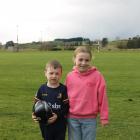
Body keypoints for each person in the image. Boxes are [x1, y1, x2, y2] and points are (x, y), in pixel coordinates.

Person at [65, 46, 109, 140]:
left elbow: (102, 97)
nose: (83, 63)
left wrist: (104, 117)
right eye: (80, 59)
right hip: (72, 118)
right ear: (74, 59)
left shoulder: (97, 76)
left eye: (87, 60)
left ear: (90, 60)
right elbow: (64, 98)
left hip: (90, 119)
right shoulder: (69, 76)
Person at [32, 60, 69, 140]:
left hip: (60, 124)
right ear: (45, 73)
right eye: (51, 73)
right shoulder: (42, 89)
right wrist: (34, 114)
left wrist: (57, 116)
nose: (54, 76)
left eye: (57, 73)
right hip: (45, 124)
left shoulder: (63, 89)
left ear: (61, 74)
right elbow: (35, 104)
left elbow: (66, 107)